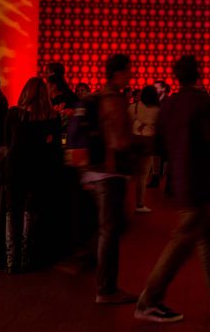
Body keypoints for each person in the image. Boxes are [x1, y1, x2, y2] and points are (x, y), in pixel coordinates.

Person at [134, 56, 210, 323]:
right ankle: (149, 300)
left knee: (208, 235)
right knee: (182, 242)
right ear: (198, 74)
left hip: (181, 179)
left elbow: (159, 144)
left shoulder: (170, 104)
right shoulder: (201, 102)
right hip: (198, 180)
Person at [82, 54, 138, 305]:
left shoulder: (96, 97)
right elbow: (119, 140)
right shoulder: (113, 98)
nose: (131, 75)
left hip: (95, 170)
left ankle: (87, 264)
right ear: (118, 73)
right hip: (110, 171)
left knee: (106, 228)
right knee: (110, 231)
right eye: (128, 70)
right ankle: (106, 288)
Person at [3, 77, 62, 273]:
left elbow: (7, 141)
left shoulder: (14, 114)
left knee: (12, 212)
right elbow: (54, 148)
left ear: (25, 92)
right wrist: (45, 140)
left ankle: (11, 261)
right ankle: (26, 258)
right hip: (38, 169)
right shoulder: (52, 116)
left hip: (14, 166)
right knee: (30, 211)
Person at [129, 86, 161, 214]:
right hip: (148, 145)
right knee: (143, 176)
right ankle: (140, 203)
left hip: (133, 143)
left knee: (128, 174)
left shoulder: (133, 107)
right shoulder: (157, 110)